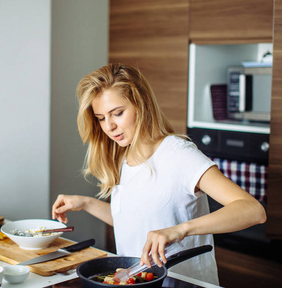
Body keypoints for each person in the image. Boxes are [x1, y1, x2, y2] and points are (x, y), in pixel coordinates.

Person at [52, 63, 267, 285]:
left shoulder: (178, 154)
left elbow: (253, 210)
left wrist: (180, 230)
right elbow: (134, 221)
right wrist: (85, 203)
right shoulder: (124, 157)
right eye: (101, 118)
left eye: (117, 113)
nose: (109, 126)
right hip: (139, 281)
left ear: (141, 104)